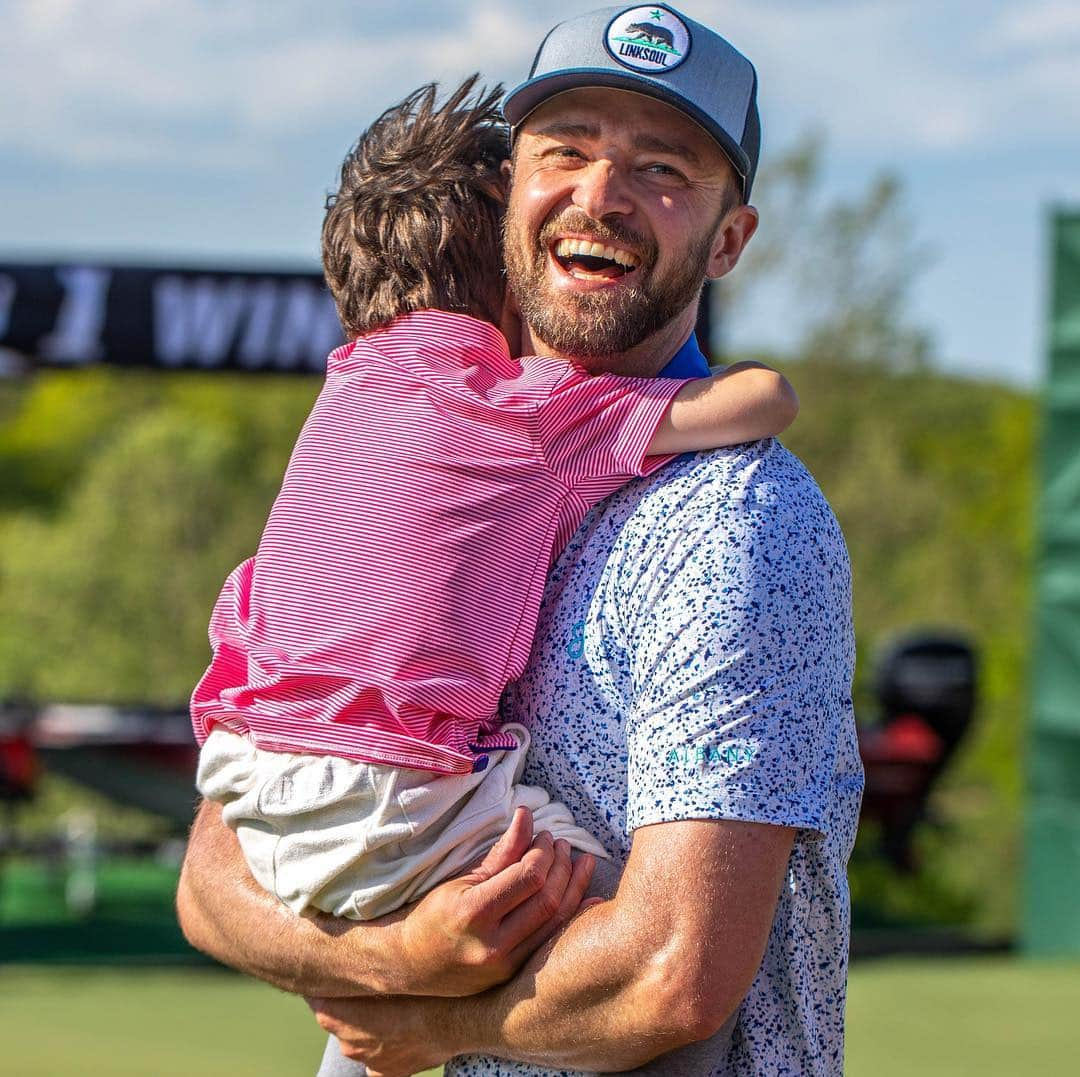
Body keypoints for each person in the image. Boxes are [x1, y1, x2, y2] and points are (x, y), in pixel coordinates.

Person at [177, 7, 862, 1076]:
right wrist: (406, 956)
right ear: (507, 196)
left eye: (662, 168)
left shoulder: (735, 521)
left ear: (729, 240)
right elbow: (214, 884)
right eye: (566, 150)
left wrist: (426, 1025)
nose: (601, 193)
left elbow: (674, 971)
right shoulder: (393, 447)